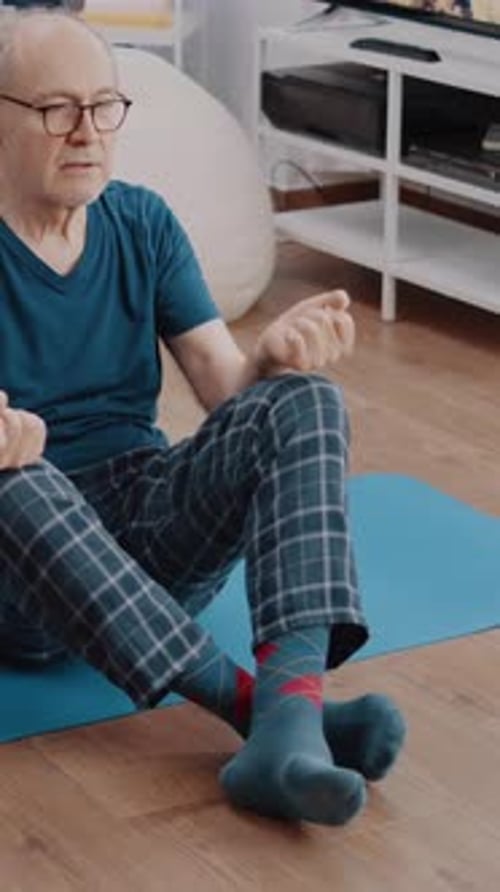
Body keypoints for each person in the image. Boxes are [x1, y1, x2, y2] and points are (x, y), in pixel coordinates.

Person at [0, 7, 406, 827]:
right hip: (29, 575)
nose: (87, 131)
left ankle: (290, 712)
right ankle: (268, 719)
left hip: (148, 539)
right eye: (56, 109)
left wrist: (274, 360)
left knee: (303, 402)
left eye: (104, 105)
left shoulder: (142, 221)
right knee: (15, 479)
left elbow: (228, 387)